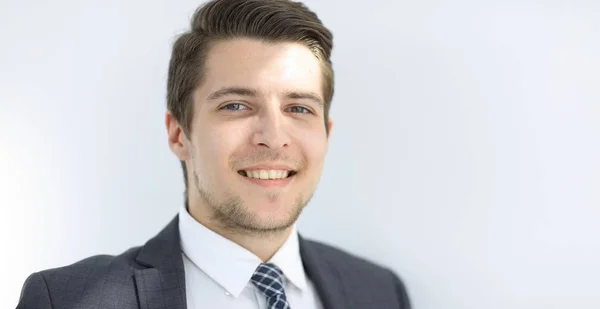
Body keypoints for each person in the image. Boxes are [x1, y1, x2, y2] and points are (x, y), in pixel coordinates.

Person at [17, 0, 411, 308]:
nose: (274, 138)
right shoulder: (64, 300)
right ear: (178, 134)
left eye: (299, 108)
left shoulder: (380, 293)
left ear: (325, 134)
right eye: (236, 106)